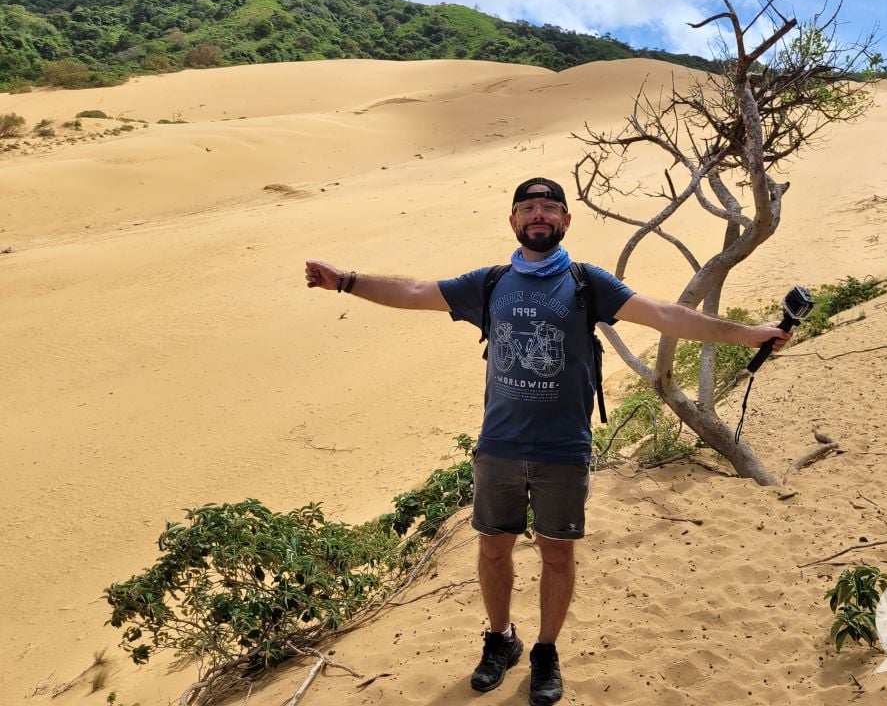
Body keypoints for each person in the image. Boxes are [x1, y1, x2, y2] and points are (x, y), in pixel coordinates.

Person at [304, 176, 791, 706]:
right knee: (493, 548)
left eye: (550, 208)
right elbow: (416, 293)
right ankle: (500, 639)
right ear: (513, 221)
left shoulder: (588, 283)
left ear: (565, 221)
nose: (539, 215)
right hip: (500, 447)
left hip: (563, 449)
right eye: (529, 207)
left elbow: (664, 315)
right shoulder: (488, 284)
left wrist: (749, 333)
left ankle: (545, 651)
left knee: (558, 555)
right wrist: (345, 281)